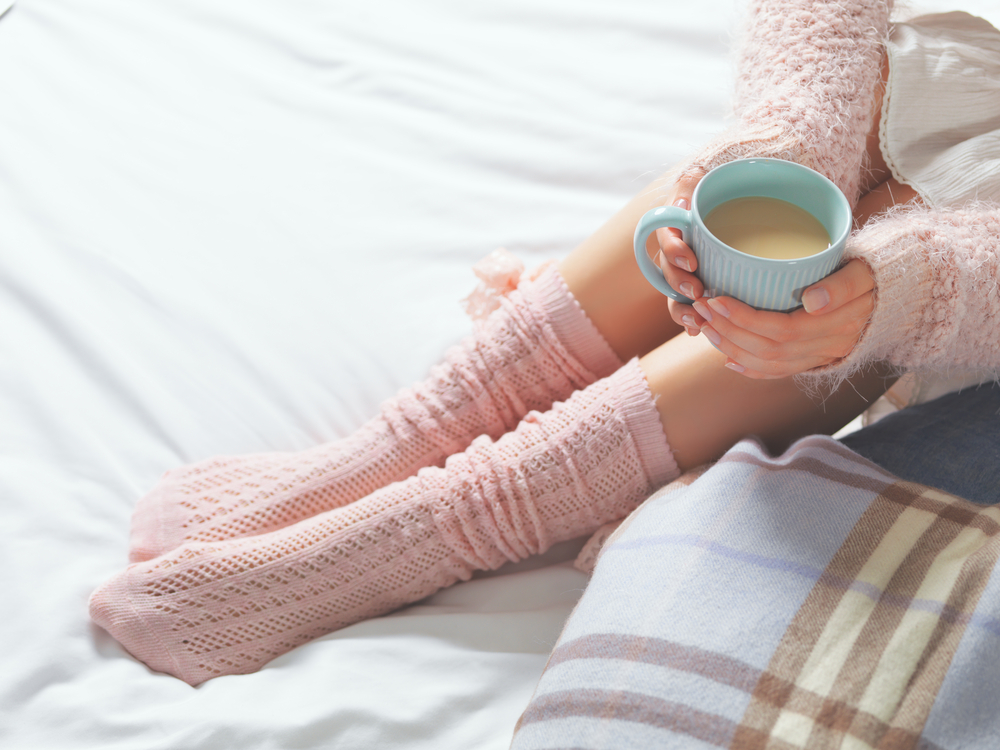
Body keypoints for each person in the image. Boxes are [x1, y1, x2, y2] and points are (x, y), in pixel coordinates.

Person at [89, 0, 1000, 686]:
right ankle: (384, 455)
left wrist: (907, 289)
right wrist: (784, 144)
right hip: (937, 73)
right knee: (778, 174)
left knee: (853, 278)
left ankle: (416, 536)